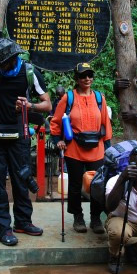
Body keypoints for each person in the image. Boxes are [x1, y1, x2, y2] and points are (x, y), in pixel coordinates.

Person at [0, 38, 51, 246]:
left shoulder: (29, 73)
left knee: (21, 179)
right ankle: (2, 229)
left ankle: (23, 222)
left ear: (12, 58)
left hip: (20, 134)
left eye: (2, 63)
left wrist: (30, 105)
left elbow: (48, 104)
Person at [50, 63, 113, 234]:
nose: (87, 79)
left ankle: (95, 218)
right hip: (74, 148)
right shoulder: (68, 98)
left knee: (97, 185)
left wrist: (108, 147)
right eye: (83, 76)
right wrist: (57, 140)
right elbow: (56, 121)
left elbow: (105, 124)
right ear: (76, 79)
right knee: (76, 185)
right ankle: (78, 217)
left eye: (89, 75)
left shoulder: (99, 97)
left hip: (97, 149)